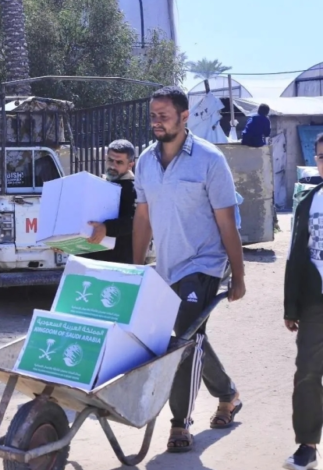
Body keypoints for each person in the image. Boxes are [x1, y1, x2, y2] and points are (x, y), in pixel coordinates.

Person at [132, 85, 247, 453]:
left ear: (184, 117)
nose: (156, 122)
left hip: (204, 264)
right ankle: (228, 395)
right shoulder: (147, 162)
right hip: (167, 266)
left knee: (183, 340)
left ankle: (179, 424)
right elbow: (143, 216)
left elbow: (227, 222)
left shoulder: (210, 160)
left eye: (163, 116)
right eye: (153, 115)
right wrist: (135, 269)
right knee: (192, 336)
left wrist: (239, 275)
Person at [283, 132, 323, 470]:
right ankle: (307, 445)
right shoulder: (310, 201)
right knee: (308, 374)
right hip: (315, 302)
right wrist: (290, 305)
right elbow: (296, 253)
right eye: (321, 156)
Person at [78, 139, 137, 265]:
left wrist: (106, 228)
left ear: (130, 164)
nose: (112, 166)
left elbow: (135, 221)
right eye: (110, 160)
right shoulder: (97, 185)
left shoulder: (135, 189)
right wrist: (63, 243)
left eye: (119, 162)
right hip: (90, 261)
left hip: (118, 263)